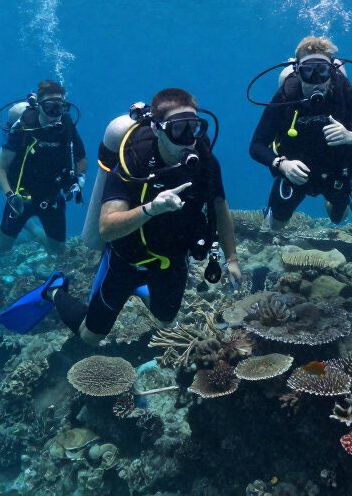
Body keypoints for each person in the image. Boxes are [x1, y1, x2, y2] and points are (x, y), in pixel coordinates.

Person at [56, 88, 241, 346]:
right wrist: (152, 208)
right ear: (157, 129)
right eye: (178, 129)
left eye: (195, 128)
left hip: (170, 259)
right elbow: (107, 227)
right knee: (90, 337)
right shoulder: (134, 160)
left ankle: (140, 289)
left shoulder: (206, 161)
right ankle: (54, 290)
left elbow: (220, 207)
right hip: (126, 258)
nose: (189, 139)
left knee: (165, 320)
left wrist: (231, 258)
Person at [249, 36, 352, 232]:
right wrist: (282, 164)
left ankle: (333, 202)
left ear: (332, 71)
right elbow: (256, 146)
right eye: (307, 71)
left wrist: (351, 137)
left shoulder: (346, 94)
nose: (316, 81)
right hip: (294, 172)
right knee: (274, 227)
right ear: (297, 71)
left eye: (322, 71)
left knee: (337, 218)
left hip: (336, 170)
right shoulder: (285, 96)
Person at [0, 80, 87, 266]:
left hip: (51, 195)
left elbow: (81, 159)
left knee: (57, 251)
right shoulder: (23, 127)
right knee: (2, 249)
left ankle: (30, 226)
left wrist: (78, 180)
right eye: (50, 107)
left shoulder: (66, 126)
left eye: (60, 107)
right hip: (20, 197)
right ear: (38, 106)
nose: (55, 113)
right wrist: (10, 195)